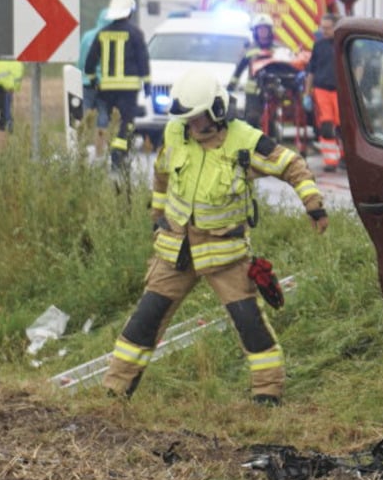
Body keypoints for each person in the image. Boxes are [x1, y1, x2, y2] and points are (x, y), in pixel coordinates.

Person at [101, 67, 327, 404]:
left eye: (195, 119)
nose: (189, 126)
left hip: (225, 254)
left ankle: (268, 393)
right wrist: (157, 216)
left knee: (249, 322)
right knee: (145, 320)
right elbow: (162, 175)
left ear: (217, 112)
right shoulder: (176, 134)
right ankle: (115, 389)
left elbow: (292, 165)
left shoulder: (245, 141)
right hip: (176, 249)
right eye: (186, 119)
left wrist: (313, 205)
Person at [83, 0, 150, 170]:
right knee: (126, 123)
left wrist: (92, 80)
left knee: (112, 121)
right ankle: (119, 154)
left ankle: (113, 150)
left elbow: (90, 62)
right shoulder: (135, 33)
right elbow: (142, 58)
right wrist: (147, 82)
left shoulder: (102, 34)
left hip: (107, 88)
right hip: (129, 88)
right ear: (130, 12)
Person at [304, 13, 342, 172]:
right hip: (321, 90)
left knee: (342, 128)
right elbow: (311, 72)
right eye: (323, 28)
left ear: (336, 27)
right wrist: (307, 93)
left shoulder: (343, 45)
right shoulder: (318, 46)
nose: (324, 31)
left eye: (327, 28)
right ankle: (330, 161)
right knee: (326, 126)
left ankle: (345, 158)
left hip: (340, 91)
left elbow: (357, 69)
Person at [229, 14, 281, 129]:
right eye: (260, 29)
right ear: (255, 32)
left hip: (272, 89)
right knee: (252, 118)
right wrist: (231, 86)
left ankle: (270, 139)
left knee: (271, 119)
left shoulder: (277, 49)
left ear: (270, 31)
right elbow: (239, 70)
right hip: (253, 91)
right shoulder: (249, 50)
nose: (262, 32)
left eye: (265, 29)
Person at [77, 10, 111, 157]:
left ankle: (79, 149)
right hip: (105, 84)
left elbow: (80, 60)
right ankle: (99, 152)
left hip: (86, 82)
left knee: (83, 115)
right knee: (103, 118)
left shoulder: (88, 36)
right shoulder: (113, 37)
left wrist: (81, 74)